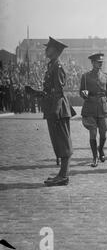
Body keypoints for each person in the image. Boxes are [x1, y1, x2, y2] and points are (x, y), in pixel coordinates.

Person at [25, 37, 73, 187]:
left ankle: (63, 175)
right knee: (58, 142)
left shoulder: (58, 67)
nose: (46, 50)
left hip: (58, 109)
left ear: (56, 51)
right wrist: (35, 92)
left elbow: (58, 92)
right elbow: (49, 91)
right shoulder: (52, 65)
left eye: (49, 48)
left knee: (63, 142)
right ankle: (62, 174)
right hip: (53, 108)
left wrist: (56, 111)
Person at [80, 53, 107, 168]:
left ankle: (101, 150)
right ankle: (95, 157)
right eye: (98, 62)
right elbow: (81, 91)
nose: (100, 64)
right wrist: (84, 94)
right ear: (93, 63)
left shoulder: (106, 76)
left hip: (103, 106)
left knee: (103, 134)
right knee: (93, 133)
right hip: (90, 106)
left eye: (101, 62)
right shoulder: (85, 76)